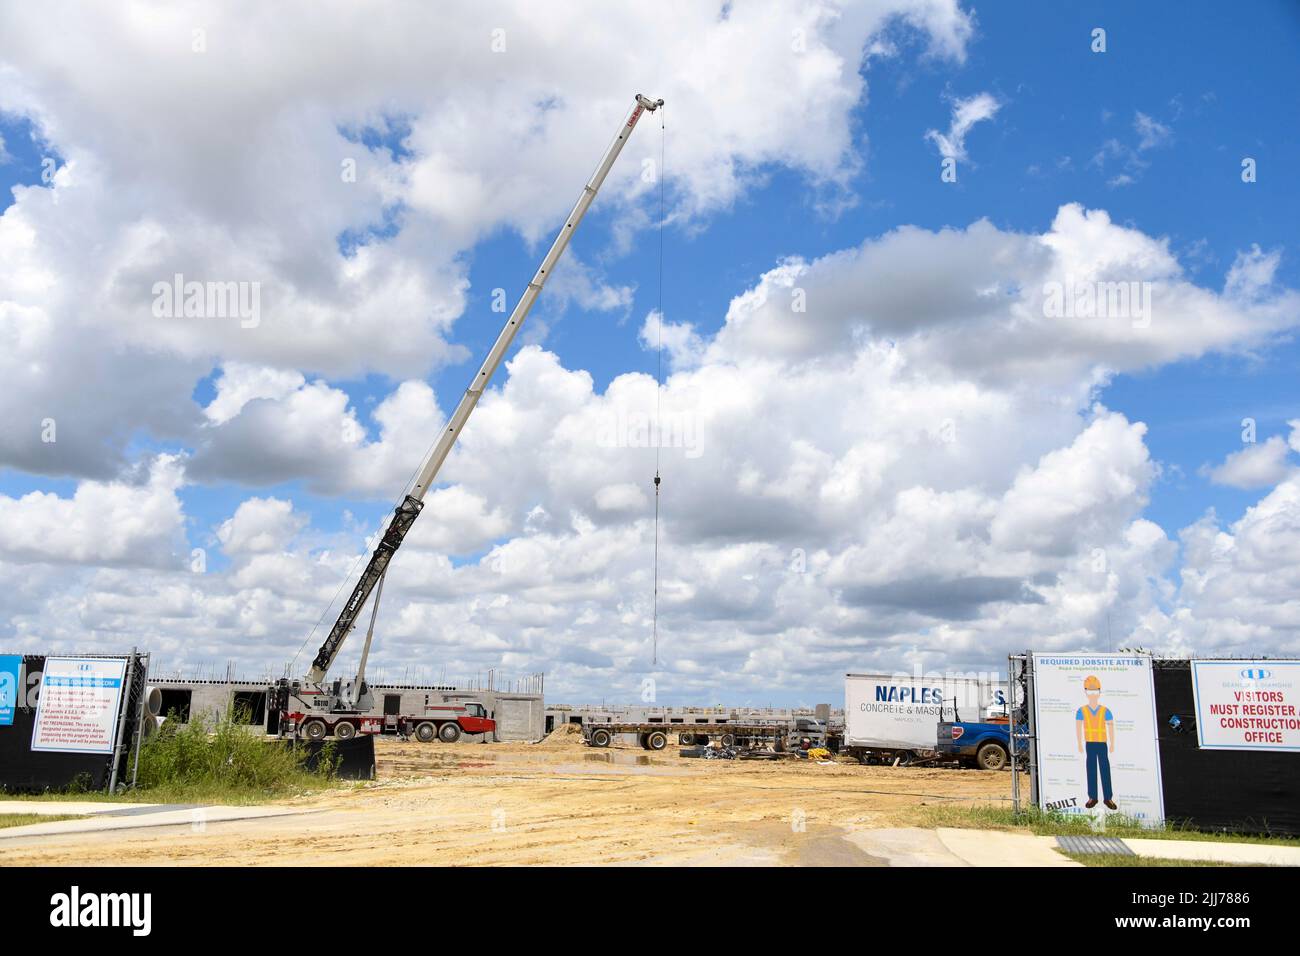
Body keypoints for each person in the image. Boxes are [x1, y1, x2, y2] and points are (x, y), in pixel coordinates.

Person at [1075, 675, 1117, 810]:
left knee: (1105, 769)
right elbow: (1078, 727)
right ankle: (1092, 797)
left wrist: (1112, 743)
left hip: (1102, 743)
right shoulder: (1082, 711)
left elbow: (1110, 726)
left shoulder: (1105, 710)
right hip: (1090, 743)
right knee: (1091, 769)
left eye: (1095, 690)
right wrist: (1080, 744)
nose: (1092, 694)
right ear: (1086, 692)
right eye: (1089, 690)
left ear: (1099, 692)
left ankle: (1108, 798)